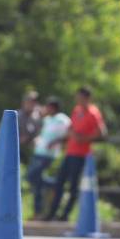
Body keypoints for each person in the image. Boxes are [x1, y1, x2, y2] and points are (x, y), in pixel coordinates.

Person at [45, 87, 106, 222]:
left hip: (81, 154)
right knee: (59, 183)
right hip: (69, 152)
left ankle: (65, 215)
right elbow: (71, 128)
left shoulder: (93, 113)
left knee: (73, 186)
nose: (78, 100)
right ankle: (51, 213)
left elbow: (101, 133)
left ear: (87, 98)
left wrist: (83, 139)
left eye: (80, 98)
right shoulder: (76, 110)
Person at [27, 97, 70, 218]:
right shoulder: (47, 120)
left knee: (32, 176)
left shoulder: (62, 119)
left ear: (53, 107)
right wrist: (37, 140)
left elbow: (67, 135)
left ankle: (55, 186)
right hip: (39, 151)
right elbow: (43, 134)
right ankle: (53, 187)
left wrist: (56, 141)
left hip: (48, 154)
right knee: (36, 181)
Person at [17, 90, 43, 157]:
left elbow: (39, 133)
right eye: (29, 101)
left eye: (34, 102)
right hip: (15, 146)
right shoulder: (17, 115)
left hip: (30, 150)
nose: (31, 104)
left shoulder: (38, 116)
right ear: (24, 102)